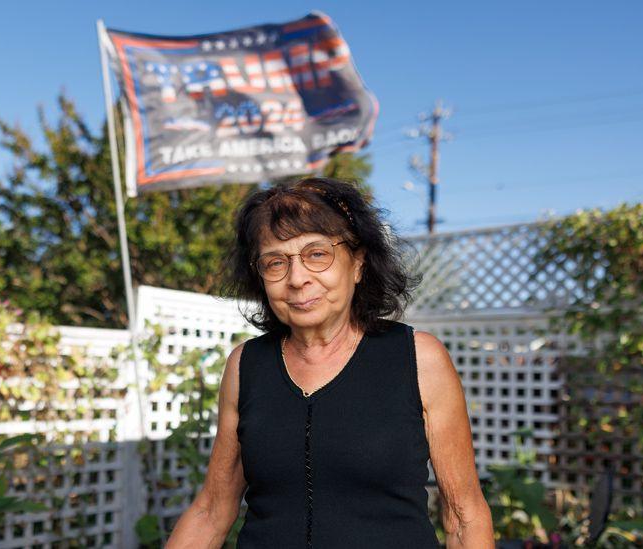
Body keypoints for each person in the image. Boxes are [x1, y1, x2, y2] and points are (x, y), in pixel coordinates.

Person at [166, 177, 493, 548]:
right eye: (275, 263)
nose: (298, 278)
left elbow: (465, 515)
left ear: (357, 263)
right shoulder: (246, 366)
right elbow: (211, 511)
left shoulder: (419, 359)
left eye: (317, 254)